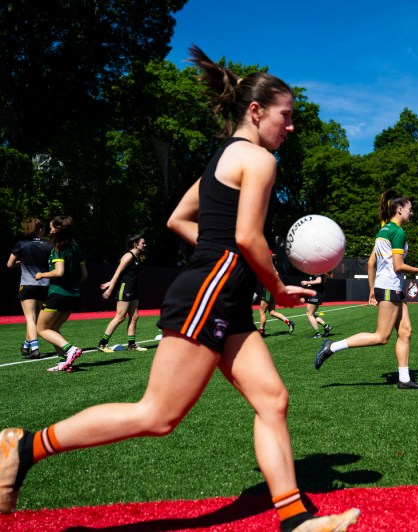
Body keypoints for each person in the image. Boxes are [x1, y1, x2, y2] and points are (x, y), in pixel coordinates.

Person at [0, 45, 359, 531]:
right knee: (158, 415)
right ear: (255, 111)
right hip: (209, 290)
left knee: (272, 400)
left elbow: (178, 218)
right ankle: (25, 447)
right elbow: (248, 237)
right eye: (286, 116)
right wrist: (273, 286)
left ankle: (294, 519)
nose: (291, 127)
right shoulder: (258, 159)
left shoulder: (221, 159)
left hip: (219, 290)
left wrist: (226, 259)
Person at [314, 190, 418, 390]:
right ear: (399, 209)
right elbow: (398, 266)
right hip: (390, 288)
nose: (411, 213)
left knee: (405, 331)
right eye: (409, 209)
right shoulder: (398, 232)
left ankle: (404, 379)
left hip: (388, 287)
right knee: (381, 337)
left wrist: (372, 289)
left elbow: (371, 263)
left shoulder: (383, 231)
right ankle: (331, 347)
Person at [34, 215, 88, 372]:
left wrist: (41, 275)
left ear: (58, 229)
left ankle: (71, 349)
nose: (49, 230)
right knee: (54, 328)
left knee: (42, 329)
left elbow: (59, 272)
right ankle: (63, 362)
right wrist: (71, 286)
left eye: (51, 227)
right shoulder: (76, 247)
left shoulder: (58, 247)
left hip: (58, 294)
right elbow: (84, 276)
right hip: (73, 295)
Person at [6, 217, 52, 359]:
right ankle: (26, 346)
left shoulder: (22, 244)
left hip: (27, 285)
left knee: (30, 318)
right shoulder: (49, 245)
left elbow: (9, 264)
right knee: (35, 319)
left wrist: (19, 264)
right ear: (40, 229)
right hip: (45, 285)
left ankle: (34, 348)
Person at [97, 235, 148, 352]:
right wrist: (110, 289)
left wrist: (109, 283)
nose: (145, 245)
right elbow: (118, 272)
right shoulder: (128, 256)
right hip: (125, 289)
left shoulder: (138, 256)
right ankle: (102, 344)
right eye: (143, 243)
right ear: (135, 244)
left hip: (133, 289)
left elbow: (125, 273)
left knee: (135, 316)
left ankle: (132, 345)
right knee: (120, 317)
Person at [301, 273, 332, 338]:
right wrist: (309, 284)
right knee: (311, 314)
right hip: (318, 294)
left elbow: (319, 281)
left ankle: (318, 334)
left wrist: (307, 282)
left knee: (309, 314)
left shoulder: (316, 270)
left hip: (315, 295)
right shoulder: (316, 270)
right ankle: (326, 326)